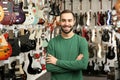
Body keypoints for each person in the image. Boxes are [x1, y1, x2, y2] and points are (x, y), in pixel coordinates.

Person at [46, 9, 89, 80]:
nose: (66, 23)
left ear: (74, 22)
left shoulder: (82, 41)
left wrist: (57, 62)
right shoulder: (52, 42)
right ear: (59, 22)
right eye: (63, 20)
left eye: (69, 20)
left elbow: (83, 65)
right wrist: (75, 65)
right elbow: (50, 67)